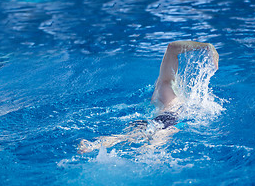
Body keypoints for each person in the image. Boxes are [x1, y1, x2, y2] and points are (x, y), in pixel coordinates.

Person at [78, 41, 219, 153]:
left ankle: (92, 145)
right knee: (152, 152)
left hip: (151, 120)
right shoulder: (166, 84)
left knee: (126, 138)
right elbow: (172, 47)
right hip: (168, 121)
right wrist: (207, 46)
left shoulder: (157, 93)